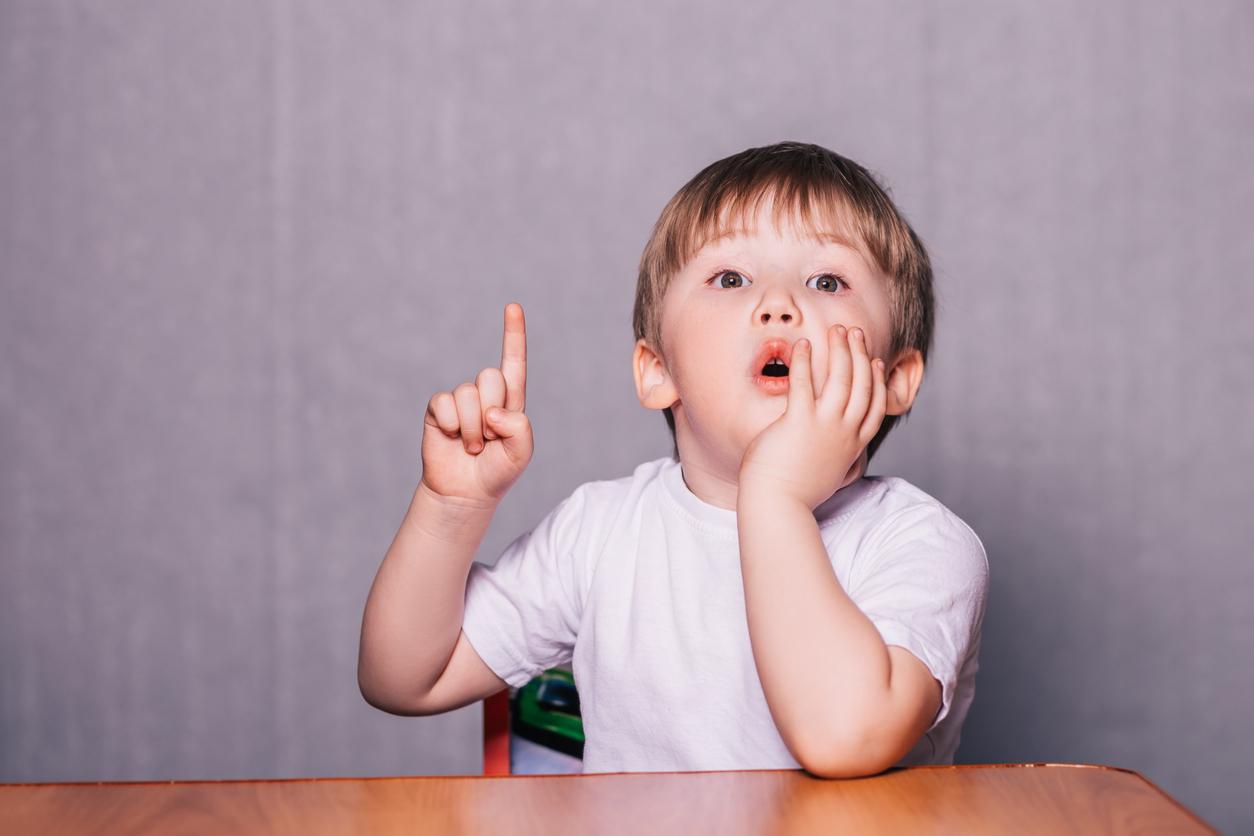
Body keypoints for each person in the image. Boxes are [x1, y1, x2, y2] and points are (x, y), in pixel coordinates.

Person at [357, 141, 989, 777]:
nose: (778, 303)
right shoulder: (601, 532)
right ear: (658, 370)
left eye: (827, 281)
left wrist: (774, 495)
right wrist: (450, 508)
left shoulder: (922, 544)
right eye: (731, 278)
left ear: (897, 379)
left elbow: (844, 737)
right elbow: (406, 679)